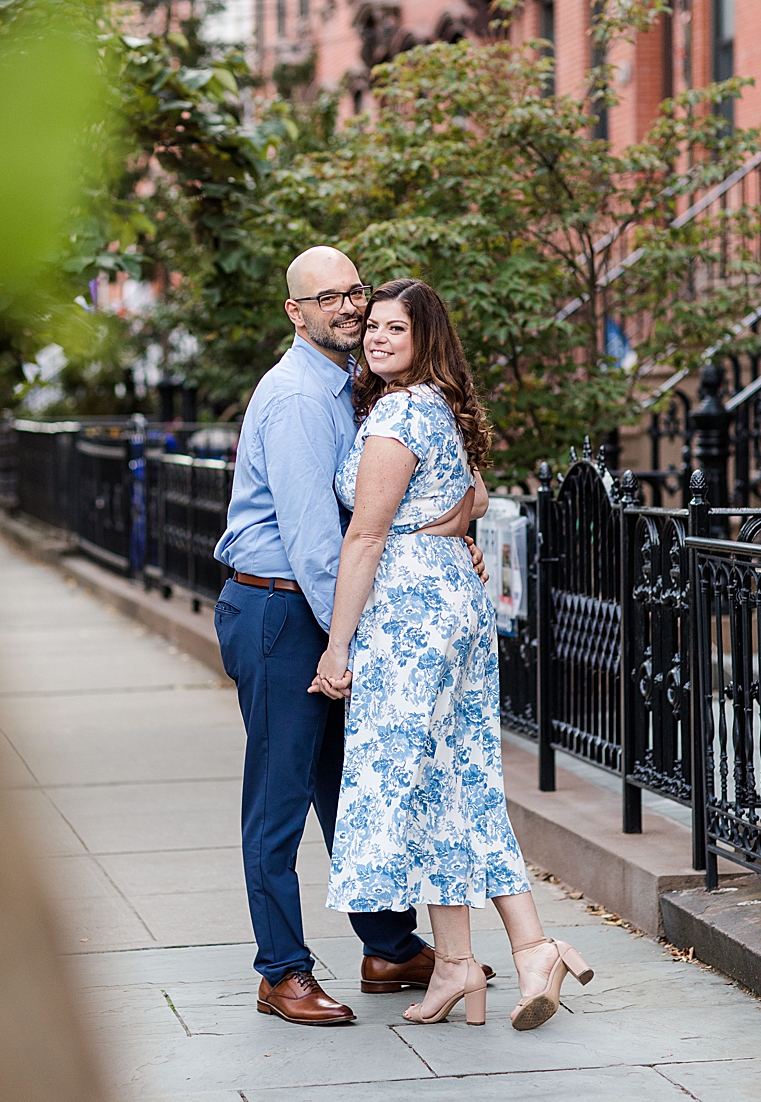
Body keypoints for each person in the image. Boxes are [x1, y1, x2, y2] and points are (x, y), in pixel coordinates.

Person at [211, 246, 487, 1026]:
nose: (349, 306)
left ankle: (389, 947)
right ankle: (281, 970)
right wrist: (356, 639)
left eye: (355, 291)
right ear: (295, 313)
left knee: (346, 781)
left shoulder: (357, 389)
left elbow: (403, 496)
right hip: (283, 610)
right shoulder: (300, 396)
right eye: (327, 297)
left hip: (324, 608)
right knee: (279, 797)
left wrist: (452, 526)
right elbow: (314, 542)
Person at [314, 278, 596, 1029]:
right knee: (456, 777)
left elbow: (365, 535)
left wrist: (337, 646)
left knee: (419, 780)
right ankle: (486, 958)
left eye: (393, 330)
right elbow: (474, 495)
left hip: (408, 612)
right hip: (453, 604)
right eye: (371, 326)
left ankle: (498, 954)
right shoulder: (440, 405)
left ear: (423, 339)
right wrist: (447, 533)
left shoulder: (400, 412)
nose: (375, 338)